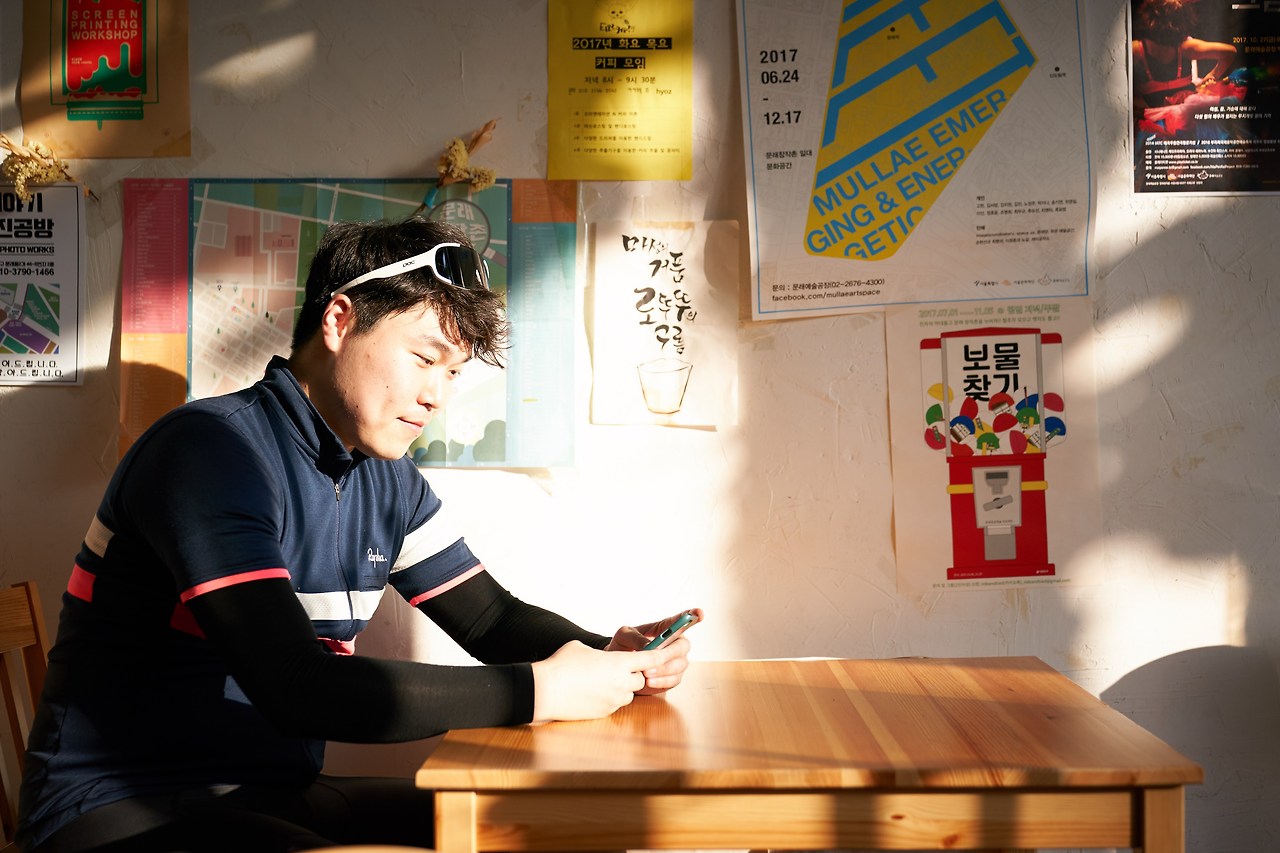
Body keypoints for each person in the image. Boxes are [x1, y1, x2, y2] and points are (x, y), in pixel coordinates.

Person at [17, 215, 701, 852]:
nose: (438, 395)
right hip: (117, 809)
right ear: (339, 321)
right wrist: (538, 691)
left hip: (269, 791)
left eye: (453, 372)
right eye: (425, 358)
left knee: (537, 831)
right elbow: (297, 685)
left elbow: (490, 618)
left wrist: (609, 657)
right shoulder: (208, 453)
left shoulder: (384, 476)